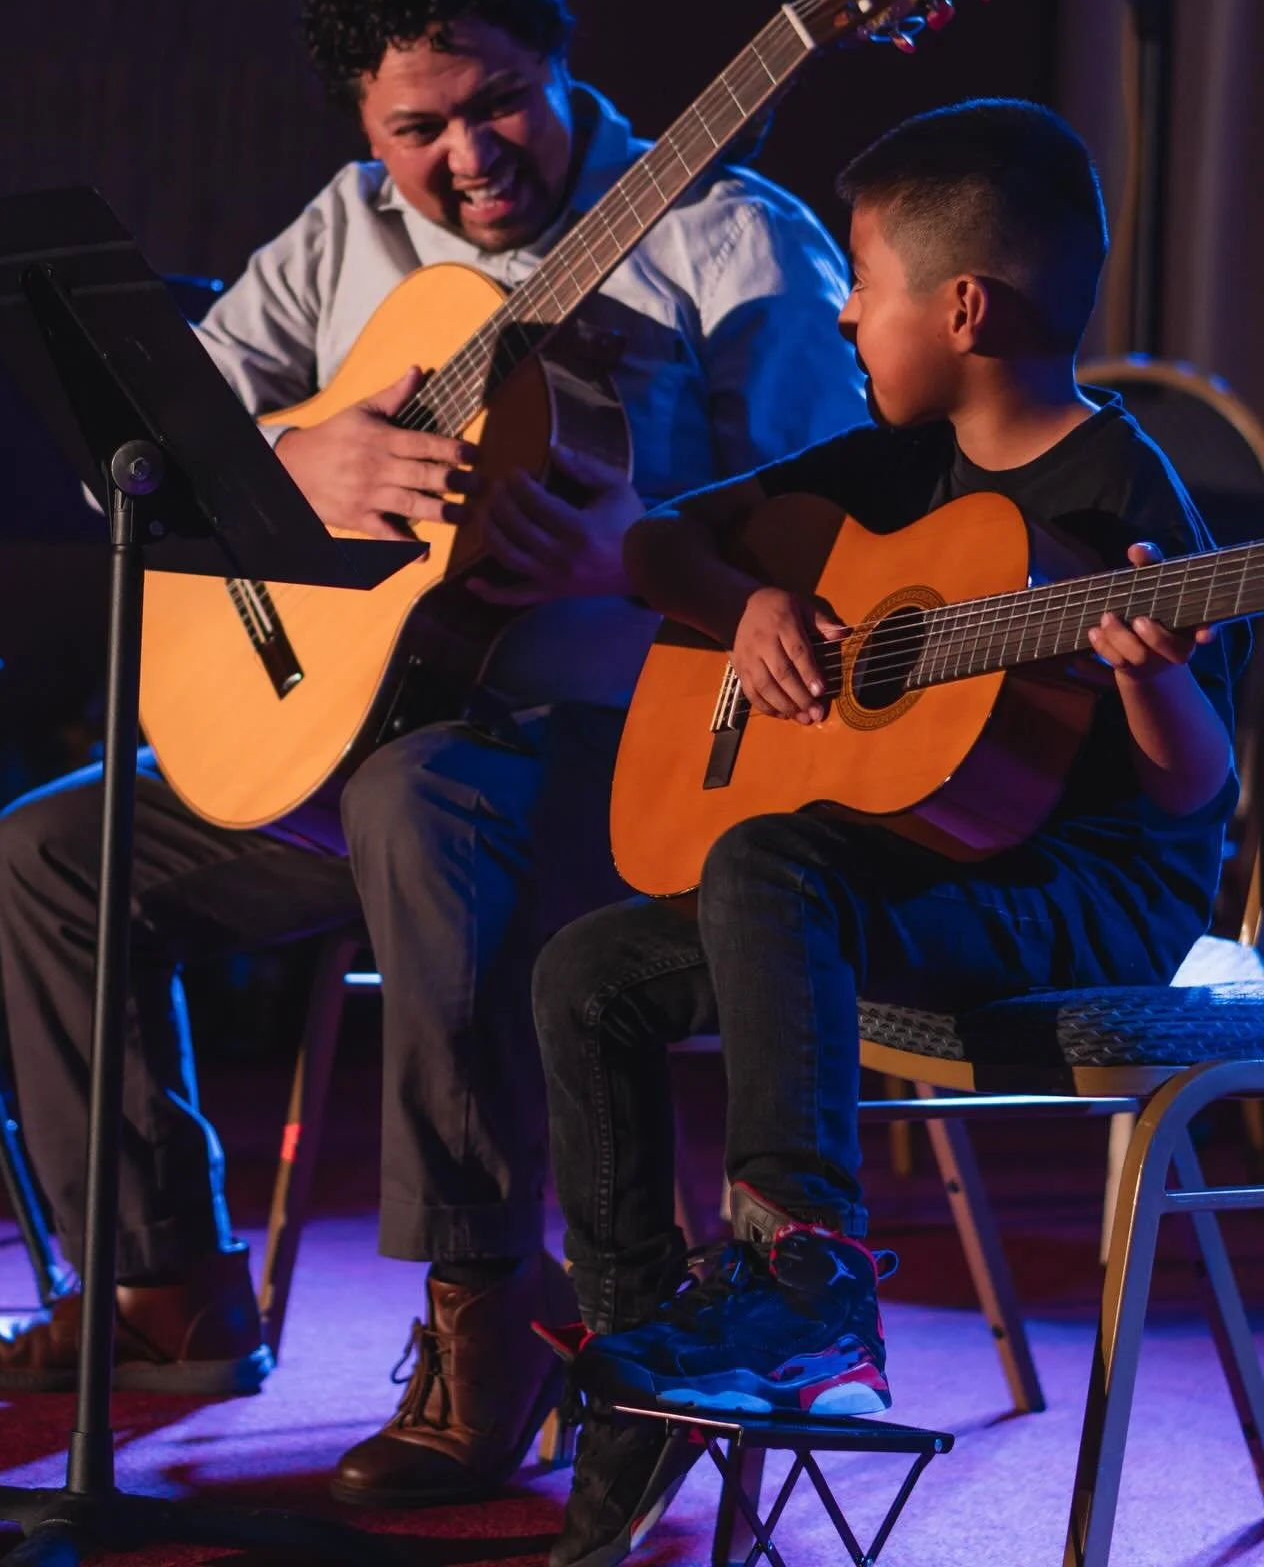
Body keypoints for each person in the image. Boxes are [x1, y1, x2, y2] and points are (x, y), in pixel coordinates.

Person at [0, 0, 865, 1505]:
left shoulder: (733, 240)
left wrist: (626, 562)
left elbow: (834, 547)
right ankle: (165, 1287)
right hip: (376, 737)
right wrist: (298, 458)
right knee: (55, 854)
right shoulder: (346, 230)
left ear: (561, 67)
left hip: (628, 766)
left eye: (494, 100)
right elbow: (143, 465)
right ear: (365, 123)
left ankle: (487, 1311)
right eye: (416, 126)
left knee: (417, 805)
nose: (466, 156)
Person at [530, 98, 1245, 1566]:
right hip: (902, 873)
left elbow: (1194, 795)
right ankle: (647, 1365)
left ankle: (807, 1278)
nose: (845, 311)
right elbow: (658, 540)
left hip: (1077, 897)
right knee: (586, 972)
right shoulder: (889, 469)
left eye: (862, 283)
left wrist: (1152, 686)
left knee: (771, 860)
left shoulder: (1125, 499)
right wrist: (749, 609)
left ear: (964, 305)